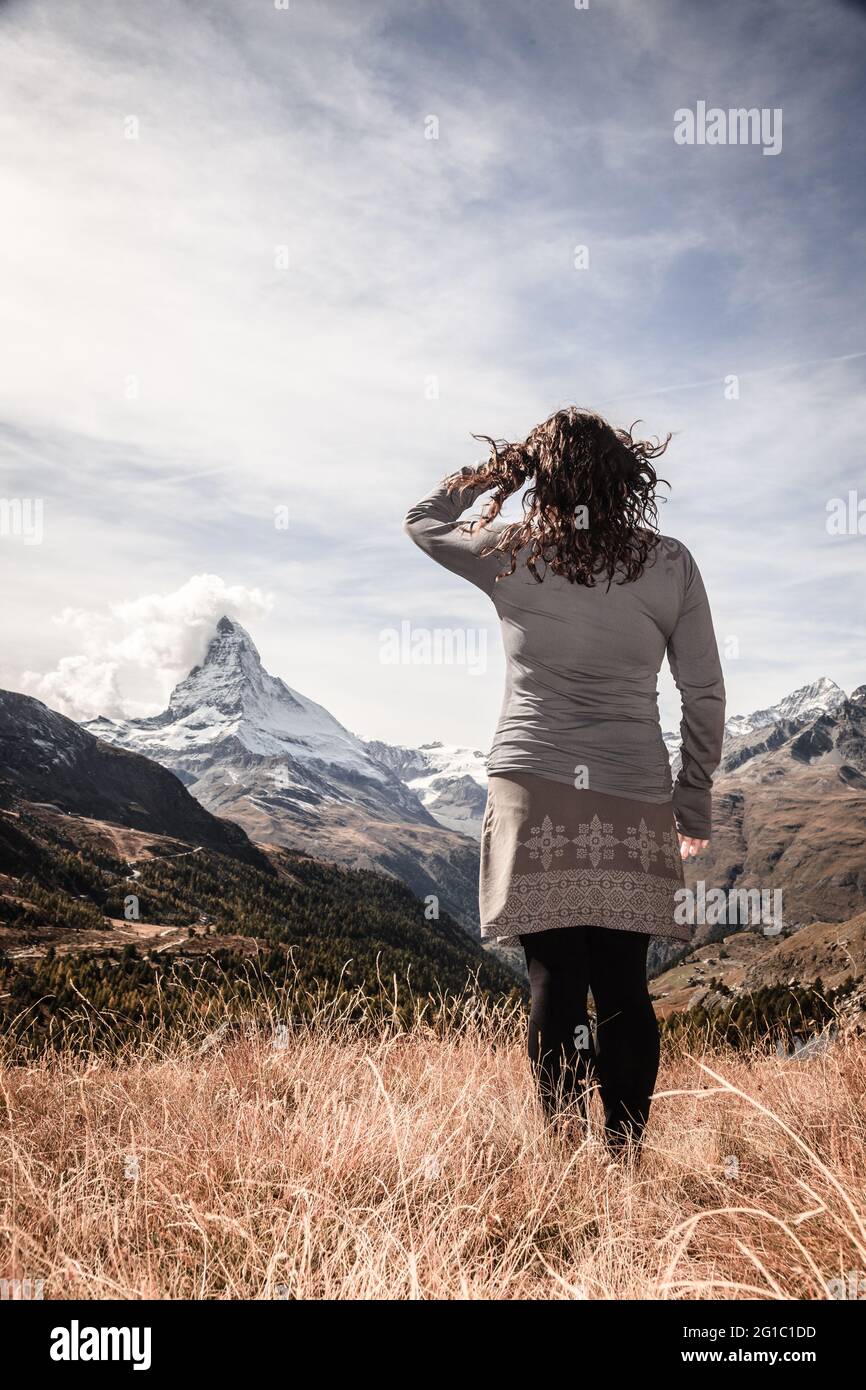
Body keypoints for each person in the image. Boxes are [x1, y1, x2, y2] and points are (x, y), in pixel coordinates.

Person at [403, 406, 725, 1157]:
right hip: (634, 790)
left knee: (553, 974)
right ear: (628, 477)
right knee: (622, 981)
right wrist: (694, 794)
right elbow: (703, 693)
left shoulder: (508, 550)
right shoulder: (669, 562)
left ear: (540, 476)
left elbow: (423, 520)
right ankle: (623, 1159)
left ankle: (563, 1157)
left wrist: (497, 475)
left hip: (531, 782)